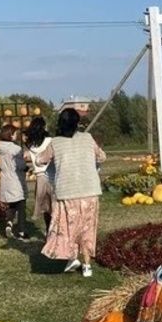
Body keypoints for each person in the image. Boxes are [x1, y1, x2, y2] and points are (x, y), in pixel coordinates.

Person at [41, 107, 105, 277]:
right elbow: (101, 157)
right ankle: (87, 267)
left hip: (67, 193)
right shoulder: (88, 138)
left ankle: (71, 258)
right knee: (87, 229)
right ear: (77, 123)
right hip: (90, 191)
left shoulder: (55, 143)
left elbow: (41, 160)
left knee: (67, 229)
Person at [0, 126, 28, 240]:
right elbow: (20, 165)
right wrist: (26, 167)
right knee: (22, 205)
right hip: (16, 180)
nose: (16, 135)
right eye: (15, 133)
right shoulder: (16, 149)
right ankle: (22, 231)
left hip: (6, 180)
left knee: (12, 205)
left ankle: (9, 222)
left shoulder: (0, 148)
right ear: (10, 135)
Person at [24, 116, 54, 235]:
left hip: (40, 178)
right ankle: (53, 231)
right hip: (51, 176)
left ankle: (47, 230)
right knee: (54, 206)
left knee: (46, 208)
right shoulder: (50, 141)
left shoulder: (30, 144)